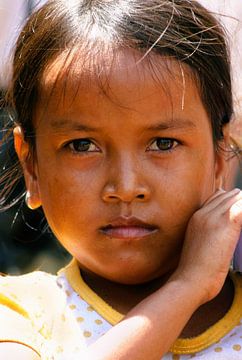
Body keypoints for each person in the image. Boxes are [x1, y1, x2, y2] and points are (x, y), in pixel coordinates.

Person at [0, 0, 242, 358]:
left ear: (222, 156)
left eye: (163, 143)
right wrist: (187, 287)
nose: (126, 187)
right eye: (82, 146)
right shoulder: (21, 314)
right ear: (31, 167)